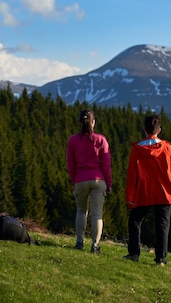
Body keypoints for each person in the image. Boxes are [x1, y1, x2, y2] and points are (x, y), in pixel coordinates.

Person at [124, 114, 171, 266]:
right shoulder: (167, 148)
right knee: (162, 225)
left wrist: (131, 196)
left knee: (135, 220)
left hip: (144, 191)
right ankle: (160, 258)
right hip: (163, 191)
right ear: (159, 130)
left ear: (144, 129)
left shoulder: (137, 149)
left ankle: (134, 253)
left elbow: (132, 176)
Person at [66, 109, 113, 254]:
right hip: (98, 180)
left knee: (81, 211)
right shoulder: (101, 140)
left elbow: (70, 164)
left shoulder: (73, 140)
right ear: (93, 122)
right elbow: (106, 165)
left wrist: (74, 180)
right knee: (97, 214)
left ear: (80, 122)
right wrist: (109, 184)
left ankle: (79, 242)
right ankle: (95, 245)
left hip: (81, 179)